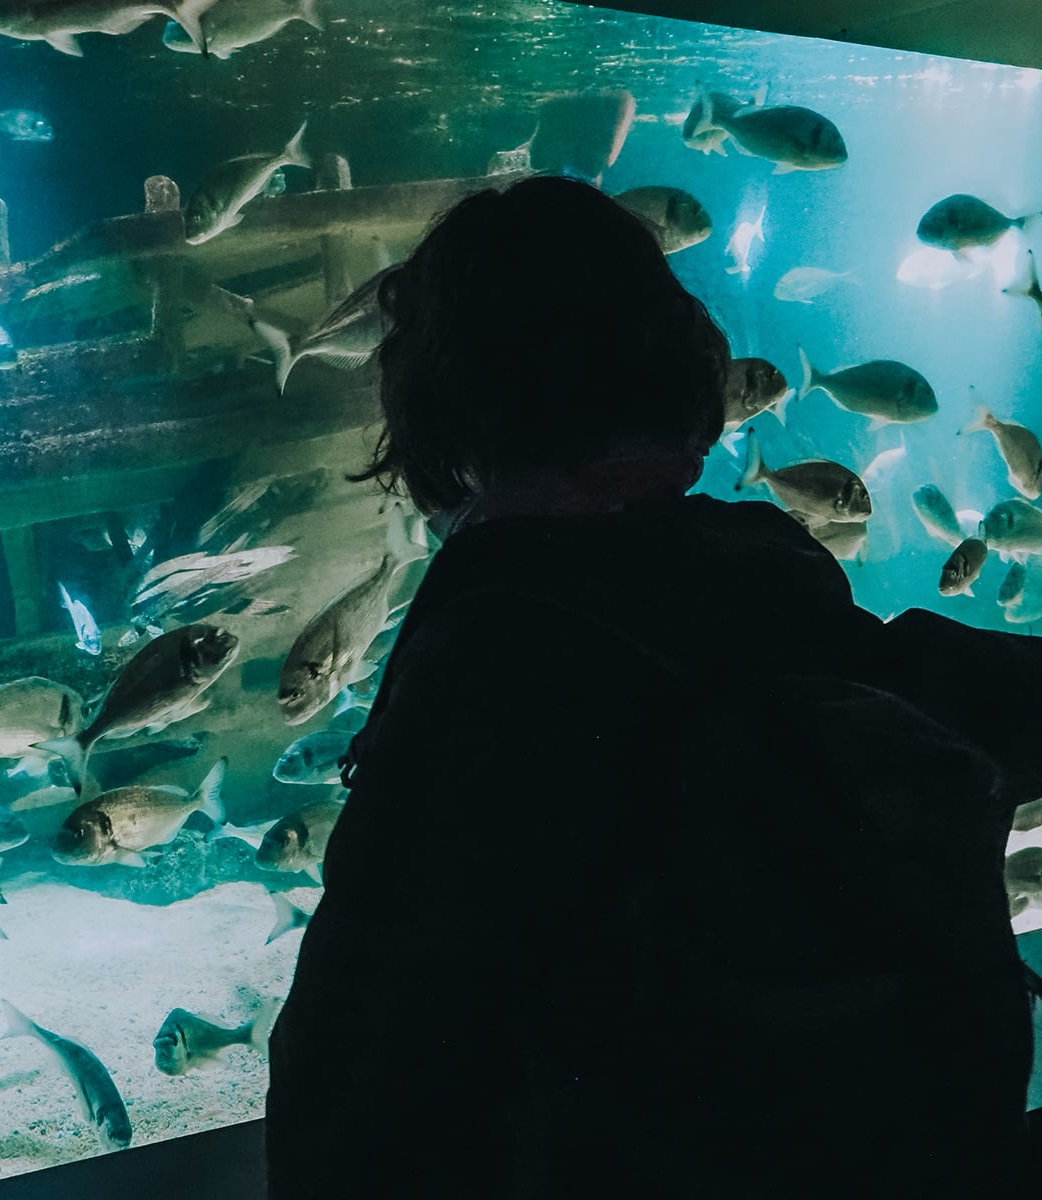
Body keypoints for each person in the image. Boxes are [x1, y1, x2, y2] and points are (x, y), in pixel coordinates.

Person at [265, 175, 1037, 1198]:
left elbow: (357, 1076)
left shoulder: (492, 658)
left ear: (439, 407)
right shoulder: (786, 600)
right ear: (686, 371)